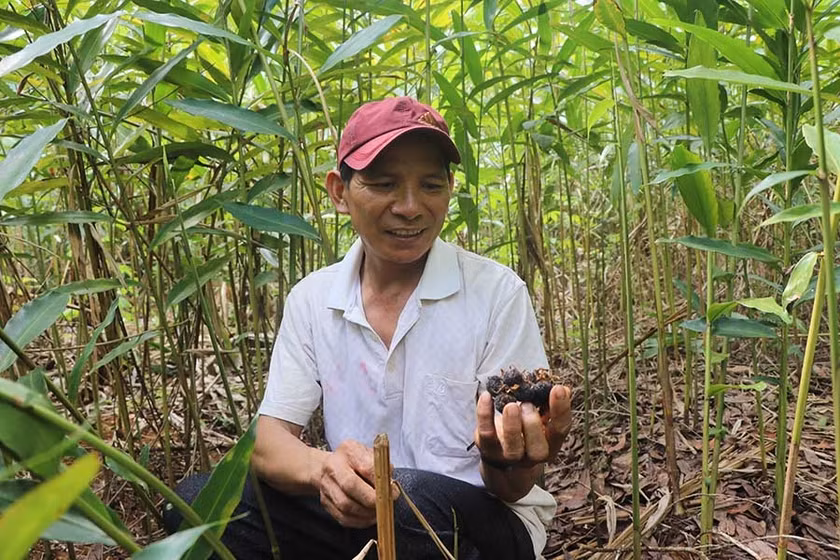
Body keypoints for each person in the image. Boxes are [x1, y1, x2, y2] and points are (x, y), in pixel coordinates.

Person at [164, 97, 573, 559]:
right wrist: (324, 472)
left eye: (431, 186)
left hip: (477, 525)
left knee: (405, 499)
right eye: (383, 184)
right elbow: (267, 440)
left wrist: (510, 459)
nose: (410, 207)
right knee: (198, 503)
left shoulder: (495, 293)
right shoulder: (314, 300)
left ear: (450, 189)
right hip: (363, 514)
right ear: (339, 192)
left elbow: (513, 486)